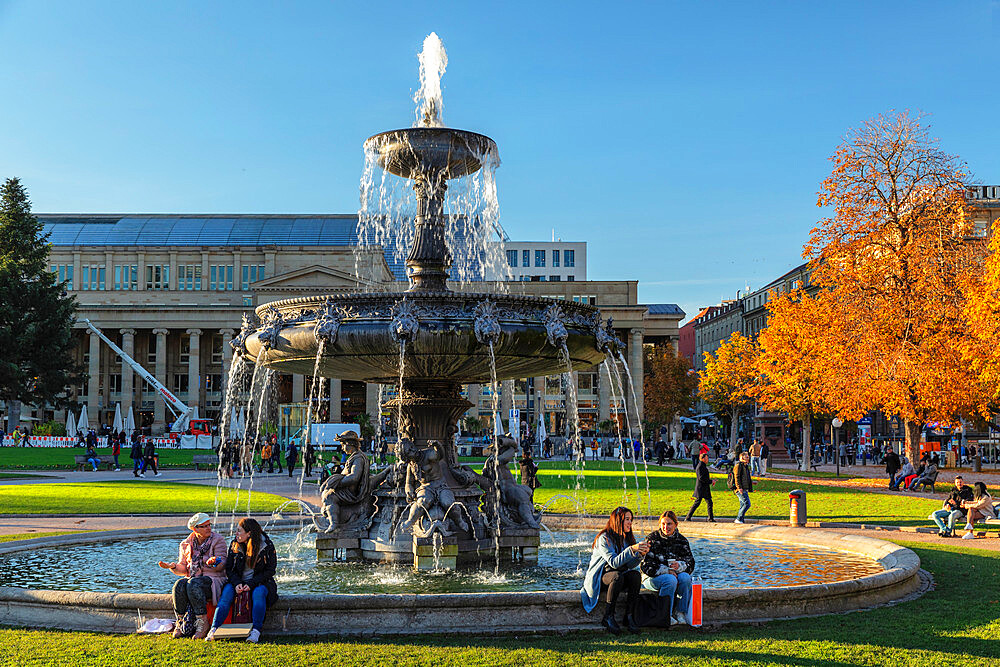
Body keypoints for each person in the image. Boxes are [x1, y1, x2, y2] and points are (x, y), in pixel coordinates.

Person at [206, 517, 278, 644]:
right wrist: (237, 583)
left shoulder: (266, 545)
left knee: (258, 594)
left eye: (239, 531)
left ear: (249, 533)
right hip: (237, 581)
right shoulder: (235, 544)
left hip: (260, 582)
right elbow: (229, 569)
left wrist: (251, 583)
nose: (236, 534)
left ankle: (256, 631)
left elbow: (270, 571)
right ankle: (214, 629)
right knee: (226, 595)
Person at [580, 506, 650, 635]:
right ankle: (608, 616)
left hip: (617, 576)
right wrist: (632, 550)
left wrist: (640, 555)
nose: (630, 523)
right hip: (601, 577)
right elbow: (613, 562)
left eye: (631, 519)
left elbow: (628, 565)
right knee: (617, 576)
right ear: (618, 521)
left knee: (635, 575)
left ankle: (629, 616)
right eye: (627, 519)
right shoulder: (604, 538)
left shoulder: (626, 538)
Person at [158, 512, 228, 639]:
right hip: (193, 579)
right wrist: (173, 566)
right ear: (195, 529)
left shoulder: (218, 540)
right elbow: (183, 568)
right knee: (179, 584)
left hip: (213, 579)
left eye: (209, 525)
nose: (209, 528)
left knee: (192, 583)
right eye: (204, 526)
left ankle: (203, 623)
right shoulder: (186, 544)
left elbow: (222, 564)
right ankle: (181, 621)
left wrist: (214, 562)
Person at [640, 510, 696, 625]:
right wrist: (667, 571)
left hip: (675, 575)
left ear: (676, 524)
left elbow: (691, 563)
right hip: (652, 578)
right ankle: (666, 614)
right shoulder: (652, 539)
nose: (666, 527)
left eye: (669, 524)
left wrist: (680, 566)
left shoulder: (682, 540)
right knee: (670, 579)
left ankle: (680, 612)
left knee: (685, 578)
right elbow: (646, 567)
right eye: (663, 524)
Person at [685, 451, 716, 522]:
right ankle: (688, 517)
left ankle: (710, 518)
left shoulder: (702, 466)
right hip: (701, 488)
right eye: (707, 458)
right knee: (697, 503)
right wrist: (710, 481)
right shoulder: (700, 466)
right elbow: (701, 478)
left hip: (704, 488)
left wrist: (711, 481)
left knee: (708, 503)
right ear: (703, 459)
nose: (708, 460)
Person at [731, 451, 753, 524]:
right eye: (746, 457)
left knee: (743, 504)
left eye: (748, 457)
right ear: (741, 458)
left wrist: (751, 483)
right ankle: (738, 518)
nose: (748, 458)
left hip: (744, 488)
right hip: (740, 489)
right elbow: (736, 477)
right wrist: (739, 487)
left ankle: (741, 520)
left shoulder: (745, 466)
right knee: (747, 503)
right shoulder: (738, 466)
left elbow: (746, 477)